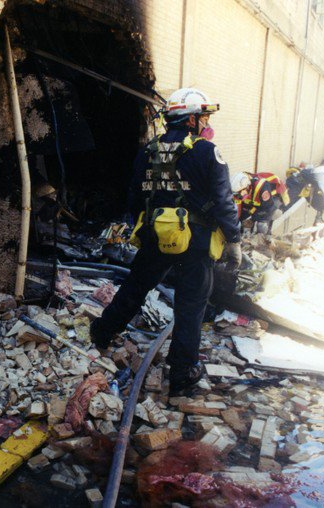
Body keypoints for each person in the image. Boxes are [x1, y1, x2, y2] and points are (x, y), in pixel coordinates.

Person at [89, 88, 241, 394]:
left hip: (155, 235)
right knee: (191, 305)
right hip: (195, 243)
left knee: (135, 287)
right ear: (192, 119)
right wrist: (234, 240)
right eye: (204, 117)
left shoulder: (148, 150)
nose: (206, 123)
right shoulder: (207, 151)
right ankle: (183, 372)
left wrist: (149, 227)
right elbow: (224, 202)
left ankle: (102, 333)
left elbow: (134, 197)